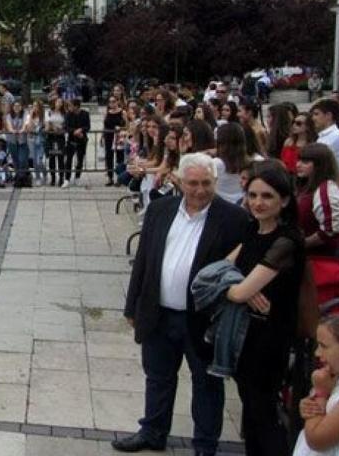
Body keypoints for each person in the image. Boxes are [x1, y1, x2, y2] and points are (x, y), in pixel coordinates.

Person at [117, 153, 250, 456]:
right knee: (158, 376)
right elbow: (144, 261)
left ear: (215, 183)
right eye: (192, 183)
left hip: (202, 317)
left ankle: (204, 444)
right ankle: (152, 430)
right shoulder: (161, 210)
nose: (199, 190)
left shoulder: (233, 219)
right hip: (160, 312)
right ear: (180, 180)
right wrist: (132, 306)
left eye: (206, 183)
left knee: (206, 383)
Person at [223, 164, 307, 456]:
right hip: (245, 333)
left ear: (284, 200)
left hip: (270, 338)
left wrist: (238, 290)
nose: (258, 202)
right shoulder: (252, 229)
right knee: (251, 408)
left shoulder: (286, 241)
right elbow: (219, 271)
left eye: (267, 196)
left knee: (263, 412)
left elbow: (237, 290)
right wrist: (236, 287)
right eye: (253, 195)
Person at [294, 315, 339, 456]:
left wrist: (320, 394)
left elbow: (317, 439)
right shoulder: (334, 378)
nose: (317, 353)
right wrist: (310, 403)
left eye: (324, 346)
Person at [63, 98, 90, 188]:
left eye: (70, 105)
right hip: (71, 140)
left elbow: (88, 126)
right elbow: (66, 127)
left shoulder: (85, 114)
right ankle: (67, 179)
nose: (69, 107)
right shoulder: (68, 114)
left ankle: (77, 177)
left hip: (82, 140)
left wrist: (81, 130)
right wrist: (74, 131)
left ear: (76, 106)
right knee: (68, 160)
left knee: (80, 160)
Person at [104, 96, 128, 186]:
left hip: (119, 136)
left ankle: (119, 178)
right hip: (108, 136)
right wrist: (102, 137)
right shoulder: (107, 113)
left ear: (117, 101)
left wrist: (120, 128)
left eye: (113, 101)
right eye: (110, 102)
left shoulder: (123, 112)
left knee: (120, 157)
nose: (112, 103)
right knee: (109, 156)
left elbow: (127, 125)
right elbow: (104, 125)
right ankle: (110, 178)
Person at [312, 99, 339, 168]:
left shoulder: (338, 136)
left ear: (328, 115)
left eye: (316, 114)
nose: (313, 118)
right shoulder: (322, 136)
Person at [45, 98, 66, 187]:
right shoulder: (49, 112)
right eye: (58, 102)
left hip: (60, 137)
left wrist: (60, 129)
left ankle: (61, 177)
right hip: (51, 137)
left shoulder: (64, 113)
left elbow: (66, 124)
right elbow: (47, 124)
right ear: (54, 103)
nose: (59, 103)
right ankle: (53, 178)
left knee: (61, 158)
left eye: (61, 102)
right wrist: (54, 128)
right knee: (52, 158)